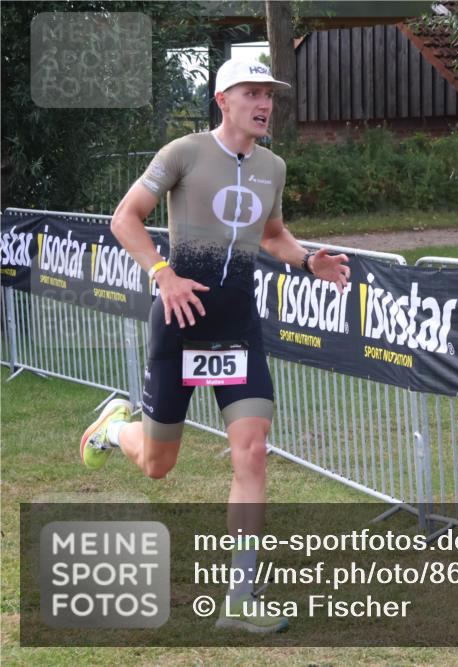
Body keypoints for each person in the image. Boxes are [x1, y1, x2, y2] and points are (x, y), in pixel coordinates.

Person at [77, 59, 350, 633]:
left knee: (252, 451)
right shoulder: (183, 153)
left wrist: (306, 259)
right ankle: (112, 428)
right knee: (157, 464)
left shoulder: (273, 165)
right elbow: (125, 218)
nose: (264, 103)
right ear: (222, 98)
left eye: (269, 95)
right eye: (252, 93)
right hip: (179, 322)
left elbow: (271, 234)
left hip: (237, 327)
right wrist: (162, 274)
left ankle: (240, 596)